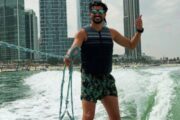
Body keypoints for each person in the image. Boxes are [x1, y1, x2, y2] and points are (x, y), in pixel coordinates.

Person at [64, 1, 143, 120]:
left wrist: (139, 31)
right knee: (88, 116)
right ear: (90, 14)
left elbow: (131, 45)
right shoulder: (83, 33)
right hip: (89, 79)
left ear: (105, 14)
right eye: (94, 11)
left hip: (107, 79)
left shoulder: (112, 33)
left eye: (100, 11)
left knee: (116, 118)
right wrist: (69, 55)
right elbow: (75, 46)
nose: (97, 14)